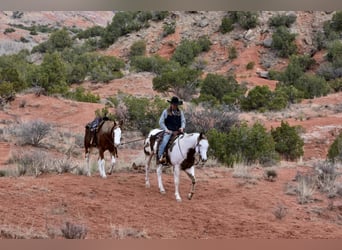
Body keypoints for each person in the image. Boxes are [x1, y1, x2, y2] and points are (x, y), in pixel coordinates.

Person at [158, 96, 186, 164]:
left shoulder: (180, 112)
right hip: (169, 131)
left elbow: (183, 121)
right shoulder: (166, 112)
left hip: (178, 132)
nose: (175, 106)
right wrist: (166, 129)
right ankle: (160, 156)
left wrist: (182, 127)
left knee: (186, 141)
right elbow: (161, 122)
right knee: (164, 142)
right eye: (174, 104)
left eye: (176, 105)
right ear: (171, 104)